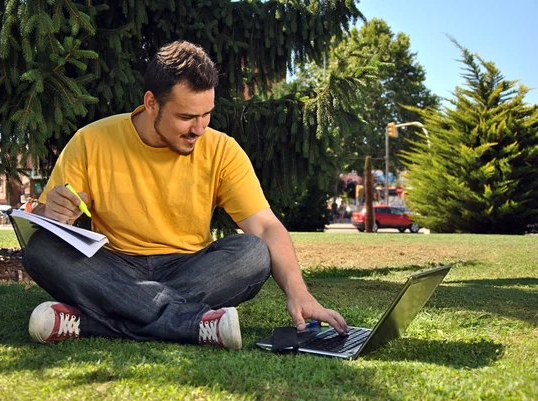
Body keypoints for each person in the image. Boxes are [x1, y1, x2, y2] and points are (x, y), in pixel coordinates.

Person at [22, 40, 347, 350]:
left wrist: (299, 292)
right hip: (114, 266)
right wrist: (51, 213)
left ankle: (92, 324)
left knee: (253, 253)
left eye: (206, 114)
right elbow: (44, 221)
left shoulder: (222, 150)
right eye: (186, 117)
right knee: (41, 250)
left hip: (190, 268)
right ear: (152, 104)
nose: (199, 128)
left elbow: (265, 227)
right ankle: (192, 324)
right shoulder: (91, 141)